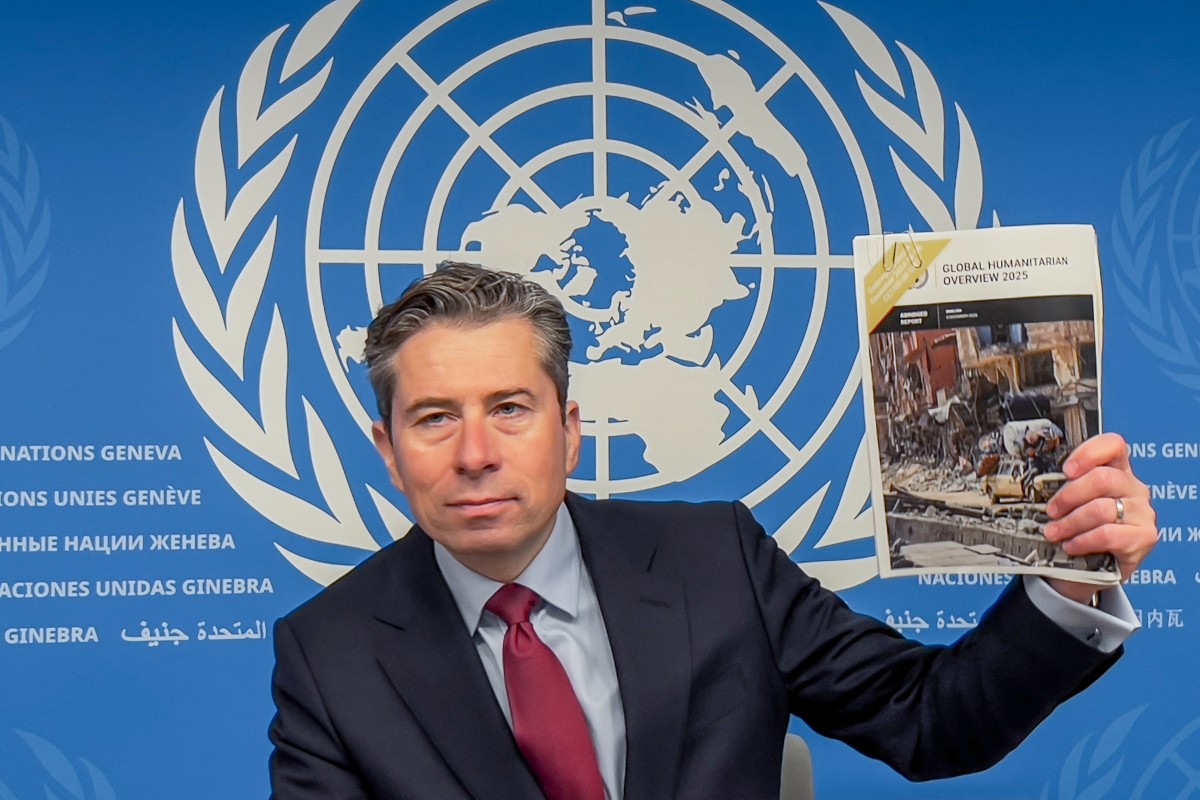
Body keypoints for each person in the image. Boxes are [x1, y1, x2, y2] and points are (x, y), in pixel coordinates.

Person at [268, 263, 1155, 800]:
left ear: (569, 430)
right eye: (433, 418)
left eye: (510, 409)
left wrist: (1070, 579)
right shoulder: (328, 654)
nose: (475, 453)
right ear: (388, 450)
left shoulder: (715, 560)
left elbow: (932, 723)